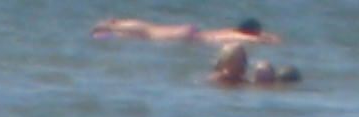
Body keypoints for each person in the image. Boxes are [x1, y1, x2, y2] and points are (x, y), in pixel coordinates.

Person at [93, 16, 278, 42]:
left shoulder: (230, 32)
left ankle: (109, 27)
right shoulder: (232, 34)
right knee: (147, 32)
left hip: (186, 33)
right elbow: (246, 38)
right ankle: (109, 28)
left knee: (148, 30)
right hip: (189, 35)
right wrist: (264, 39)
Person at [210, 38, 302, 81]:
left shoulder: (244, 81)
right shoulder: (217, 80)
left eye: (242, 60)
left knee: (264, 69)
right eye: (237, 61)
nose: (241, 64)